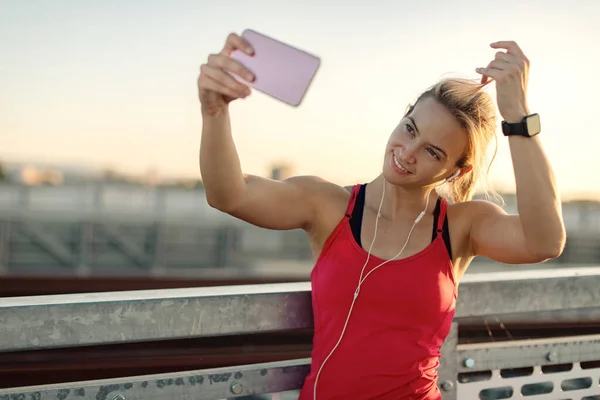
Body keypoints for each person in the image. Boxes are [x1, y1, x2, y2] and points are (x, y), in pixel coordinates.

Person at [197, 33, 566, 400]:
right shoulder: (328, 205)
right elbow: (229, 194)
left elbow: (545, 242)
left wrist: (518, 117)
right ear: (404, 115)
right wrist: (214, 111)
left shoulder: (462, 226)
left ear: (458, 172)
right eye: (410, 129)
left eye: (433, 152)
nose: (407, 153)